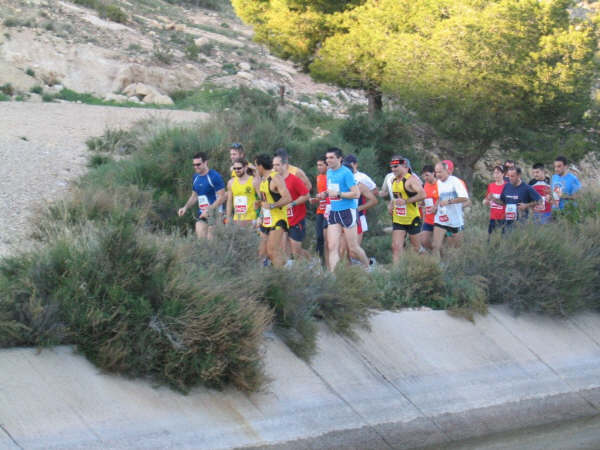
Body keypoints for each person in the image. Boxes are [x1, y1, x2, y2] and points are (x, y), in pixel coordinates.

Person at [318, 147, 370, 271]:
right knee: (332, 246)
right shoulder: (329, 172)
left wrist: (339, 194)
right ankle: (334, 278)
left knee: (353, 248)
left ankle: (368, 268)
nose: (328, 160)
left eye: (331, 158)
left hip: (348, 211)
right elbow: (331, 189)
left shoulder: (346, 173)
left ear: (340, 159)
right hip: (334, 212)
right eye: (327, 158)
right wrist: (324, 194)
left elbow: (356, 194)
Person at [178, 152, 226, 240]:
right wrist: (185, 207)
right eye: (194, 165)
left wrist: (209, 210)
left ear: (205, 163)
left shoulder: (214, 176)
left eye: (198, 164)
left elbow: (222, 197)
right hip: (202, 213)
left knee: (212, 241)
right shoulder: (196, 177)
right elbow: (194, 196)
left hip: (214, 214)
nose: (196, 167)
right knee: (201, 241)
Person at [254, 154, 291, 268]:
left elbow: (288, 198)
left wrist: (271, 205)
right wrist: (260, 209)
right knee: (261, 252)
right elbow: (265, 201)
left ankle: (283, 279)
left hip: (278, 219)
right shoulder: (263, 180)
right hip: (266, 220)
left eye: (256, 166)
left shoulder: (275, 178)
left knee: (272, 251)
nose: (256, 169)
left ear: (260, 166)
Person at [273, 154, 311, 260]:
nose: (275, 168)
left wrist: (293, 203)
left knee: (296, 252)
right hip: (282, 219)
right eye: (273, 165)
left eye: (277, 165)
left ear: (285, 165)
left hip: (296, 218)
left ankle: (312, 263)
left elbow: (306, 195)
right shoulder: (274, 181)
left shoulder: (293, 179)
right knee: (283, 249)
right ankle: (290, 272)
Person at [389, 156, 425, 262]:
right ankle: (396, 275)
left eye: (396, 166)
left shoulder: (411, 180)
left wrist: (406, 201)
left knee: (417, 248)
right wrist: (391, 204)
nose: (393, 169)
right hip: (398, 219)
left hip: (412, 218)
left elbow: (423, 194)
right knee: (396, 247)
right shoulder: (393, 181)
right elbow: (397, 197)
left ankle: (432, 264)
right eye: (391, 167)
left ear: (404, 166)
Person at [431, 162, 469, 258]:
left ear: (447, 171)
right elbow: (440, 197)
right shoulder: (438, 183)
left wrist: (448, 202)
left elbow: (465, 198)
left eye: (440, 172)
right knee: (435, 246)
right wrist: (435, 206)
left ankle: (452, 268)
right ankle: (436, 268)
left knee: (454, 249)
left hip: (455, 220)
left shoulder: (456, 182)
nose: (438, 174)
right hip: (441, 218)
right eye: (436, 172)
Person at [343, 154, 378, 245]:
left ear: (355, 164)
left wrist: (361, 203)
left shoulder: (362, 178)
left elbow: (375, 192)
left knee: (354, 248)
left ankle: (366, 260)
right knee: (343, 247)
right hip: (343, 215)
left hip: (358, 215)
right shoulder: (341, 179)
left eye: (350, 164)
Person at [226, 158, 258, 226]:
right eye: (235, 168)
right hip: (237, 219)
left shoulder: (254, 181)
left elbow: (263, 199)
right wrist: (228, 219)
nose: (236, 170)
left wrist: (260, 218)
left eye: (239, 168)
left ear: (245, 167)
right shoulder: (231, 182)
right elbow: (229, 202)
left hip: (251, 219)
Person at [311, 156, 329, 265]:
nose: (319, 167)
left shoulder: (331, 176)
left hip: (330, 211)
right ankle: (320, 263)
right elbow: (321, 195)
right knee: (319, 237)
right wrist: (316, 199)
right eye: (317, 165)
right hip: (320, 211)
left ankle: (327, 264)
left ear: (327, 165)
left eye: (321, 165)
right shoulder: (318, 177)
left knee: (327, 239)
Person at [483, 166, 506, 234]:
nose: (496, 175)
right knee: (490, 240)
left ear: (503, 174)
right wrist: (485, 202)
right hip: (493, 217)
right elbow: (486, 199)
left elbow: (506, 202)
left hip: (504, 218)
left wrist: (494, 199)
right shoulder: (491, 186)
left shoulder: (507, 186)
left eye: (498, 173)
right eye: (494, 173)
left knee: (503, 240)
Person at [420, 165, 438, 250]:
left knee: (438, 243)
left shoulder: (440, 185)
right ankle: (434, 255)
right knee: (424, 241)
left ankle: (443, 259)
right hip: (428, 219)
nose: (425, 177)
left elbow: (444, 198)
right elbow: (424, 199)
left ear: (433, 173)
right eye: (423, 176)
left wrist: (436, 207)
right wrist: (420, 203)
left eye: (427, 175)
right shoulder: (425, 185)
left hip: (439, 219)